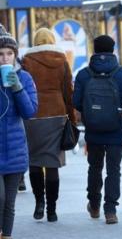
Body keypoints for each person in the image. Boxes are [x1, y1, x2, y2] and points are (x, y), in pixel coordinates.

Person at [73, 35, 122, 224]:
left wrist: (91, 113)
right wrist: (120, 110)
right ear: (112, 49)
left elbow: (76, 102)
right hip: (116, 130)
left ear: (94, 50)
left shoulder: (84, 74)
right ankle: (110, 210)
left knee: (94, 167)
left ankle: (94, 205)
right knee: (113, 170)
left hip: (93, 130)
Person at [22, 27, 76, 222]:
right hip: (56, 114)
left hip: (33, 115)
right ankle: (52, 210)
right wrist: (72, 118)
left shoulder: (26, 61)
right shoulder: (62, 60)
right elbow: (68, 93)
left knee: (35, 162)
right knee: (52, 165)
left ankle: (39, 204)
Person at [0, 24, 38, 239]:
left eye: (9, 54)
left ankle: (7, 235)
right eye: (1, 54)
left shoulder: (24, 78)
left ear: (15, 55)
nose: (5, 59)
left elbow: (29, 111)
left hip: (15, 150)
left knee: (10, 204)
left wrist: (17, 88)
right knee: (0, 199)